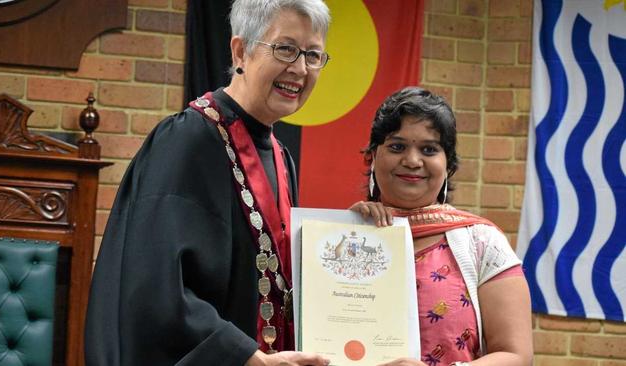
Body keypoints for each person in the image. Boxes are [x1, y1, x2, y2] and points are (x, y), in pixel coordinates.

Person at [85, 1, 332, 365]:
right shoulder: (186, 140)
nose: (299, 68)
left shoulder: (281, 156)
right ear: (240, 51)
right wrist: (245, 356)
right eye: (285, 48)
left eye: (313, 55)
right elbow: (154, 286)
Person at [349, 87, 533, 366]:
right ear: (372, 157)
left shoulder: (483, 242)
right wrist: (348, 229)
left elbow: (517, 356)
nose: (412, 161)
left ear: (448, 165)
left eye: (429, 149)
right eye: (397, 146)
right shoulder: (346, 236)